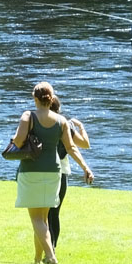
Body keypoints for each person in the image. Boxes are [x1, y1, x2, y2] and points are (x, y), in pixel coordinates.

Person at [12, 81, 94, 264]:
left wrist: (16, 137)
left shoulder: (28, 116)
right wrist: (86, 168)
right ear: (51, 99)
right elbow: (71, 148)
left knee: (35, 218)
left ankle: (50, 255)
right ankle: (37, 259)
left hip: (31, 170)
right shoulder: (62, 121)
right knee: (43, 219)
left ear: (35, 98)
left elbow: (18, 141)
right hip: (53, 172)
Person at [48, 95, 90, 249]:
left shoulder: (38, 121)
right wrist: (80, 126)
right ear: (59, 109)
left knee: (43, 214)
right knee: (55, 213)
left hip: (43, 169)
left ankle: (47, 249)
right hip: (62, 172)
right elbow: (85, 144)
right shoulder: (65, 124)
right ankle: (52, 248)